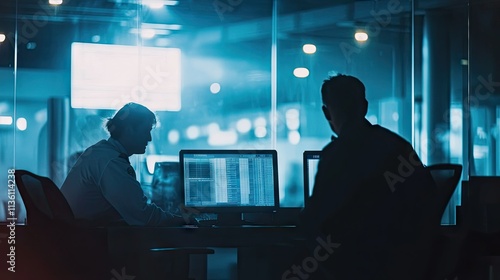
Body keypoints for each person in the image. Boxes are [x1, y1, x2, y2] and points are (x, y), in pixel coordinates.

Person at [299, 74, 439, 280]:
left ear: (326, 112)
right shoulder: (399, 147)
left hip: (359, 266)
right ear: (364, 106)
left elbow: (318, 219)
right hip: (409, 266)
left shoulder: (335, 155)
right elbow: (428, 199)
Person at [61, 102, 189, 226]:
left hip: (80, 235)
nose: (149, 138)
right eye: (146, 131)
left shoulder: (104, 153)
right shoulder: (111, 162)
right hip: (84, 241)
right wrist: (181, 219)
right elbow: (143, 216)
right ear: (128, 130)